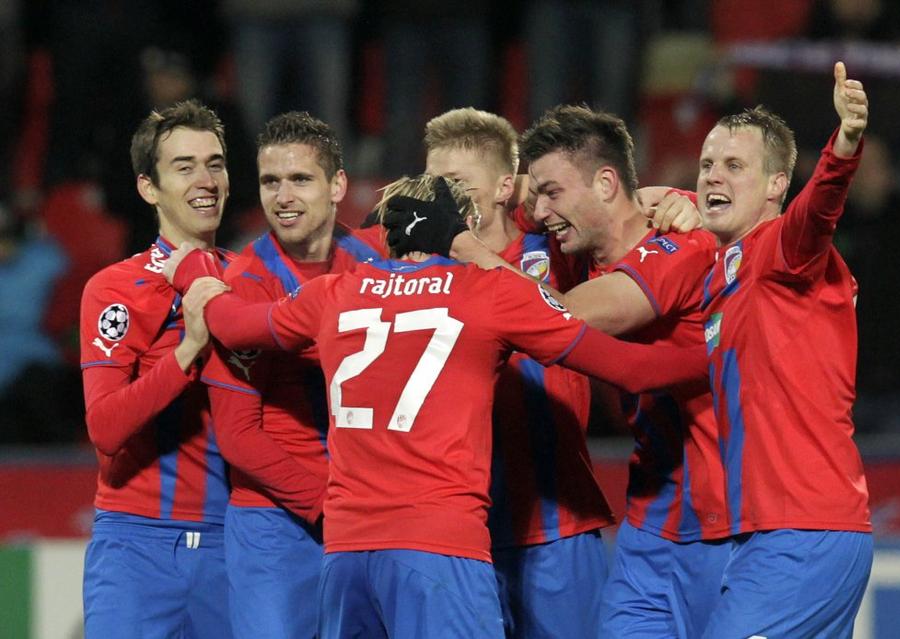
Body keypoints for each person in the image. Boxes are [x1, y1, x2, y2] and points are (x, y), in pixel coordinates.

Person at [165, 174, 708, 639]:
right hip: (441, 549)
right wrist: (721, 356)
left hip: (347, 553)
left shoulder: (332, 294)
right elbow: (631, 369)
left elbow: (232, 324)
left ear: (387, 232)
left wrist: (192, 272)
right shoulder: (489, 294)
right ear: (461, 226)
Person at [388, 105, 731, 638]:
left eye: (456, 184)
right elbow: (541, 185)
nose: (444, 199)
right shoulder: (564, 241)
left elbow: (571, 315)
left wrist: (462, 242)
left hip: (691, 513)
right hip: (610, 518)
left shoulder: (579, 252)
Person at [423, 107, 614, 638]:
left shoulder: (554, 246)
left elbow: (614, 206)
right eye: (434, 184)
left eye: (457, 182)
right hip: (459, 535)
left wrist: (673, 200)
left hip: (557, 524)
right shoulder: (420, 269)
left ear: (507, 186)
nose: (442, 198)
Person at [697, 61, 872, 637]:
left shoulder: (781, 249)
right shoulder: (723, 273)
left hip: (801, 532)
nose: (713, 176)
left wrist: (844, 146)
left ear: (776, 185)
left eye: (734, 166)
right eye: (707, 165)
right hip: (780, 532)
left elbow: (818, 211)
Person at [200, 111, 386, 639]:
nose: (283, 197)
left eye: (300, 179)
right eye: (270, 181)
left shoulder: (381, 263)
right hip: (275, 523)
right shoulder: (241, 286)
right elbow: (239, 436)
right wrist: (330, 506)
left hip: (370, 511)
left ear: (337, 186)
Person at [78, 99, 233, 638]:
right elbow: (105, 427)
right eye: (184, 167)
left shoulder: (254, 283)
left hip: (233, 545)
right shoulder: (114, 290)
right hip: (137, 546)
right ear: (149, 187)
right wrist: (189, 349)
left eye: (215, 164)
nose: (206, 180)